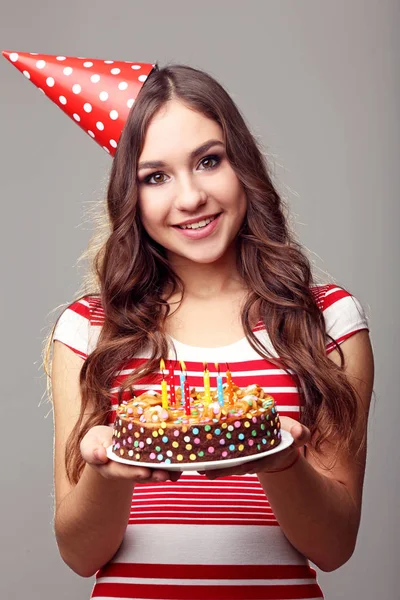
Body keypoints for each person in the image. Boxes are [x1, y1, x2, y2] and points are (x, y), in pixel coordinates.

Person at [46, 63, 374, 600]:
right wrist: (105, 471)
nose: (191, 197)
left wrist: (284, 461)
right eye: (156, 176)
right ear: (130, 195)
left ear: (242, 163)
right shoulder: (88, 330)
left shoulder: (327, 321)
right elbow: (80, 557)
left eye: (208, 161)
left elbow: (334, 548)